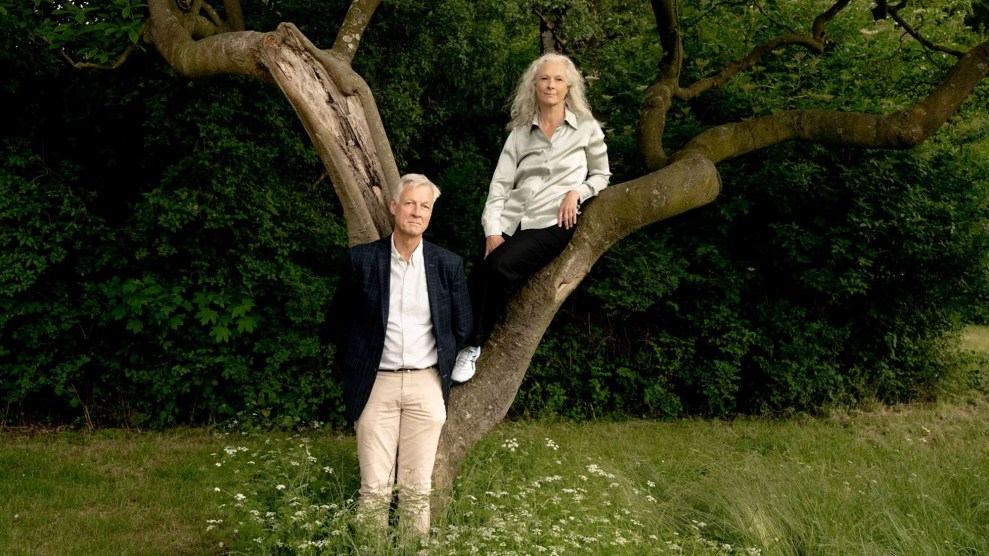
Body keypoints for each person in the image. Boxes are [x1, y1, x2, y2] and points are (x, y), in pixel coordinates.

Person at [451, 53, 611, 384]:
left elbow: (602, 175)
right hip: (512, 220)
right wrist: (492, 230)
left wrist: (577, 192)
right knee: (476, 274)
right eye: (544, 78)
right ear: (534, 85)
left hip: (552, 223)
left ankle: (472, 346)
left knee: (499, 268)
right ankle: (447, 341)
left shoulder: (586, 128)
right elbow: (499, 186)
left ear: (568, 87)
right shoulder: (520, 133)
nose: (551, 85)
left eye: (558, 79)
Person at [329, 173, 472, 537]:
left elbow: (461, 326)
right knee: (374, 487)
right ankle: (371, 548)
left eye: (425, 206)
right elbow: (340, 322)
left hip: (426, 383)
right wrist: (356, 365)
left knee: (417, 487)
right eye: (409, 203)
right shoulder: (363, 260)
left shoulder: (447, 264)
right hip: (376, 382)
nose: (417, 212)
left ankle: (414, 548)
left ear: (431, 214)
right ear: (394, 207)